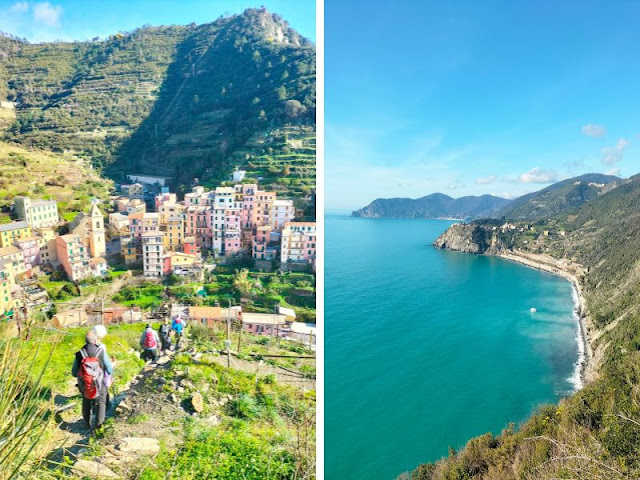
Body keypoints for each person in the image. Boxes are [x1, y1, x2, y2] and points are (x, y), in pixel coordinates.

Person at [71, 329, 113, 433]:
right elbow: (109, 368)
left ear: (86, 341)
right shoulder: (100, 351)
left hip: (85, 384)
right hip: (99, 383)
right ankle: (99, 426)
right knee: (101, 402)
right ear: (95, 340)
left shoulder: (79, 353)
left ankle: (86, 423)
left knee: (86, 401)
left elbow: (74, 372)